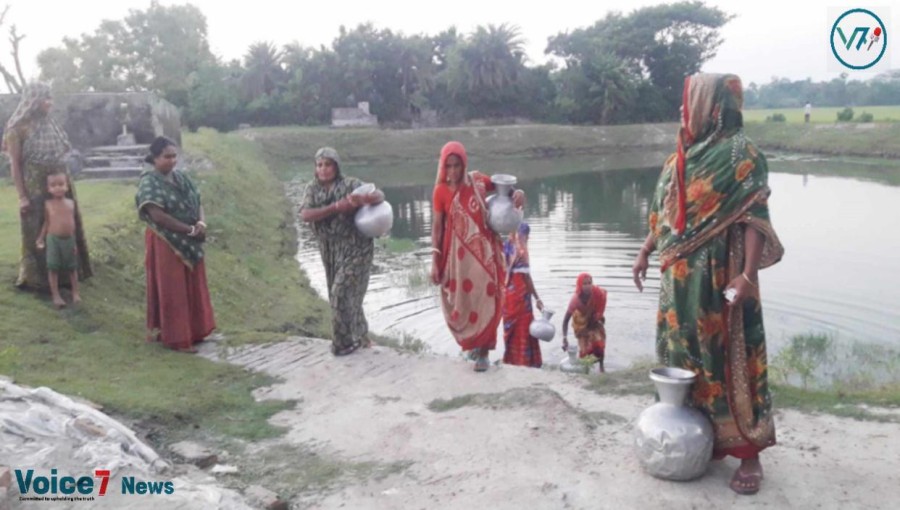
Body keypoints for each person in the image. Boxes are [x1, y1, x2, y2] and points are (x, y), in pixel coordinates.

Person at [631, 73, 784, 495]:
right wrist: (645, 250)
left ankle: (749, 452)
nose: (684, 111)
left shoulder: (743, 155)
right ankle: (689, 435)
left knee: (727, 358)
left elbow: (755, 217)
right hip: (677, 284)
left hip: (722, 277)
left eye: (690, 103)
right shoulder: (681, 156)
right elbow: (664, 214)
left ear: (712, 106)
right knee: (683, 357)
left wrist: (748, 275)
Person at [430, 141, 524, 372]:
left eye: (457, 166)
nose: (453, 172)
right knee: (466, 302)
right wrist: (435, 261)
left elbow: (505, 189)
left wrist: (518, 194)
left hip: (486, 254)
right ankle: (473, 344)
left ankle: (484, 352)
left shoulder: (478, 181)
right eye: (448, 166)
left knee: (490, 299)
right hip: (458, 259)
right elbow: (437, 228)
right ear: (442, 167)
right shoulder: (440, 191)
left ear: (464, 165)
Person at [3, 82, 91, 289]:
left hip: (61, 182)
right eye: (45, 98)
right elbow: (15, 165)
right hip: (35, 186)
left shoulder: (50, 123)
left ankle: (68, 275)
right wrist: (22, 196)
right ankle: (37, 279)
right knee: (36, 228)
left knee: (66, 223)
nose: (49, 103)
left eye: (50, 98)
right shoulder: (17, 129)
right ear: (33, 101)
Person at [299, 147, 383, 356]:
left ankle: (342, 344)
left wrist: (363, 200)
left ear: (336, 166)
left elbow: (379, 194)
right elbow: (306, 214)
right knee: (348, 295)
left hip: (356, 248)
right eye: (319, 165)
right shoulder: (312, 189)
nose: (324, 169)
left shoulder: (349, 185)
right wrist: (337, 207)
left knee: (340, 292)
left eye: (328, 164)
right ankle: (362, 337)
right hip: (330, 250)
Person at [136, 136, 216, 353]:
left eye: (174, 156)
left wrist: (200, 222)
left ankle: (197, 331)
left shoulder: (182, 178)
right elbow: (157, 215)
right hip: (166, 241)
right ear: (154, 158)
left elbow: (197, 200)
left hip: (191, 238)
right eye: (166, 157)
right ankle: (177, 338)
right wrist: (188, 230)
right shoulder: (149, 182)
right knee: (173, 289)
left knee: (192, 284)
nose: (172, 161)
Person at [36, 170, 81, 308]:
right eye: (53, 185)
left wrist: (75, 243)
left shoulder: (71, 203)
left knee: (72, 268)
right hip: (53, 239)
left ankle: (75, 292)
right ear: (48, 189)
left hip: (69, 239)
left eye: (61, 184)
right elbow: (47, 222)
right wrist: (41, 238)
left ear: (67, 186)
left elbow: (72, 224)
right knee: (53, 267)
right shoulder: (48, 204)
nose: (58, 188)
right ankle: (56, 295)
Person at [502, 222, 543, 368]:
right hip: (521, 298)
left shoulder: (506, 246)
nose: (527, 239)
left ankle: (510, 360)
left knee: (511, 330)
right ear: (524, 235)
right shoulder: (521, 251)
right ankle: (526, 362)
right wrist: (537, 298)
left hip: (507, 297)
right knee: (524, 328)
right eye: (527, 235)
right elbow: (526, 278)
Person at [561, 273, 608, 372]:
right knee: (584, 352)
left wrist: (599, 314)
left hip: (594, 320)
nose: (588, 286)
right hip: (581, 324)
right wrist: (565, 338)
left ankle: (601, 367)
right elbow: (565, 321)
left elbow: (603, 296)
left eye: (589, 283)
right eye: (584, 283)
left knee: (599, 344)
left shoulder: (596, 292)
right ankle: (585, 369)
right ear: (579, 285)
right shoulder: (575, 300)